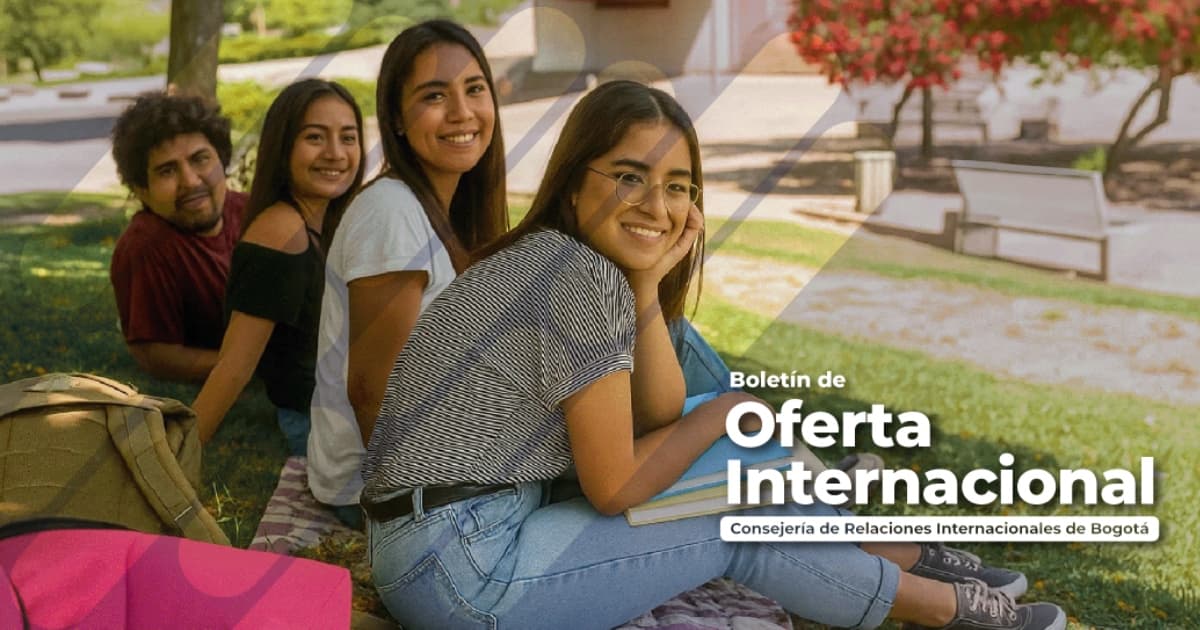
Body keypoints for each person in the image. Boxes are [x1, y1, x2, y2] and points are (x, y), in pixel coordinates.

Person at [360, 81, 1067, 630]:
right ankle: (944, 604)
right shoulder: (572, 278)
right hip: (460, 571)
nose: (657, 206)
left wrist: (645, 286)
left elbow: (662, 415)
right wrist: (731, 409)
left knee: (713, 435)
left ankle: (891, 554)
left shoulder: (566, 263)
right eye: (629, 176)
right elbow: (614, 485)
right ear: (574, 185)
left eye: (678, 187)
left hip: (443, 544)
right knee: (732, 505)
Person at [307, 20, 508, 525]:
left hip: (450, 453)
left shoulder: (451, 206)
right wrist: (415, 520)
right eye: (435, 96)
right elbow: (372, 394)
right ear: (397, 119)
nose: (463, 113)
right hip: (387, 490)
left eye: (474, 89)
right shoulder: (390, 214)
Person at [190, 79, 364, 453]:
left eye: (348, 138)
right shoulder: (280, 230)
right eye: (315, 138)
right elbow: (234, 366)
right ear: (283, 147)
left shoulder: (328, 222)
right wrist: (178, 458)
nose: (336, 153)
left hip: (345, 415)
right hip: (316, 428)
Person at [110, 92, 248, 382]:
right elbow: (158, 356)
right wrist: (252, 366)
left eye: (200, 159)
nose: (190, 181)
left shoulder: (252, 211)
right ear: (141, 189)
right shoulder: (146, 247)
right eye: (167, 170)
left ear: (221, 161)